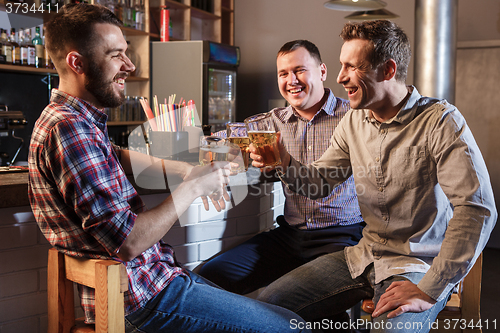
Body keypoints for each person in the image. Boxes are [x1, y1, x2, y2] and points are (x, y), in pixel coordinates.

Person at [28, 4, 312, 333]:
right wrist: (191, 185)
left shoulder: (76, 121)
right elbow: (129, 242)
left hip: (156, 282)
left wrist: (179, 169)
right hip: (144, 302)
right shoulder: (70, 130)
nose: (130, 65)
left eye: (126, 53)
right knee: (293, 326)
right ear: (77, 63)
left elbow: (114, 154)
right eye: (116, 55)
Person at [250, 20, 497, 333]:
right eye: (341, 66)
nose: (340, 78)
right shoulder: (354, 122)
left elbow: (477, 209)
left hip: (418, 266)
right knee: (268, 304)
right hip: (363, 256)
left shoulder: (440, 121)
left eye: (352, 67)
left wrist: (430, 288)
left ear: (388, 70)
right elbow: (320, 182)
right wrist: (285, 162)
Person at [199, 40, 365, 326]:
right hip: (288, 237)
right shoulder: (268, 124)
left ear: (323, 71)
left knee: (312, 309)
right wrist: (210, 167)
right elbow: (221, 146)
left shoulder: (354, 119)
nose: (291, 81)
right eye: (283, 73)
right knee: (204, 281)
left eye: (299, 70)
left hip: (343, 237)